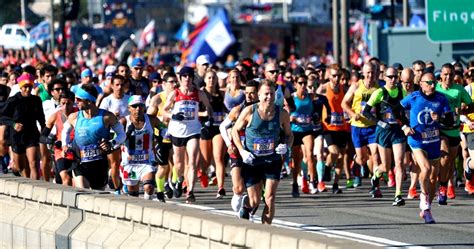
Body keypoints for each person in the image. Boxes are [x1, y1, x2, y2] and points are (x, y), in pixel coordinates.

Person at [231, 79, 293, 224]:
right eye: (266, 94)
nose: (269, 97)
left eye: (271, 94)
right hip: (252, 161)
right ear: (259, 95)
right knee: (254, 201)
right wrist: (242, 151)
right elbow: (235, 130)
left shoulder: (282, 114)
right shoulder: (249, 111)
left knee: (270, 197)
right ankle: (246, 207)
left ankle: (266, 231)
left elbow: (290, 135)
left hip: (272, 160)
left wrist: (286, 146)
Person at [399, 71, 453, 223]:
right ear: (421, 84)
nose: (432, 85)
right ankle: (424, 202)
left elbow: (449, 120)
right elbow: (396, 110)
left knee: (433, 177)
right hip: (417, 140)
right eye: (429, 83)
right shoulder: (414, 97)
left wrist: (440, 117)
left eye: (434, 82)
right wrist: (404, 126)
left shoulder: (441, 98)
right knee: (426, 169)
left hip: (434, 141)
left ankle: (426, 207)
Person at [161, 66, 213, 203]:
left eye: (189, 76)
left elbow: (208, 107)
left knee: (192, 162)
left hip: (193, 130)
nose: (187, 79)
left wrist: (208, 118)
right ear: (180, 78)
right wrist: (173, 115)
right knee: (178, 164)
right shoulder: (175, 93)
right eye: (184, 76)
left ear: (192, 78)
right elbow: (164, 111)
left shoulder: (199, 93)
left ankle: (190, 191)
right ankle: (179, 180)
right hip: (177, 131)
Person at [61, 84, 126, 190]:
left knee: (98, 195)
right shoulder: (74, 117)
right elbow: (65, 131)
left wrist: (111, 143)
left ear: (89, 101)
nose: (76, 101)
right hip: (80, 162)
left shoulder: (107, 117)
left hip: (99, 164)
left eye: (79, 99)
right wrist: (65, 144)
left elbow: (122, 135)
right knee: (83, 191)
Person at [362, 67, 408, 206]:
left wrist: (406, 124)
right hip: (384, 131)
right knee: (386, 167)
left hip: (398, 130)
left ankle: (398, 195)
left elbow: (406, 111)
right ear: (385, 78)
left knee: (399, 163)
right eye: (390, 77)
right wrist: (379, 122)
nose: (393, 79)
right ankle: (376, 175)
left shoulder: (402, 92)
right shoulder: (379, 92)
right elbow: (366, 112)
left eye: (395, 77)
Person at [342, 62, 381, 197]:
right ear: (363, 73)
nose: (371, 75)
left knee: (375, 155)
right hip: (358, 127)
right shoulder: (356, 86)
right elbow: (344, 103)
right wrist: (353, 115)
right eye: (368, 72)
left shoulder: (379, 87)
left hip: (372, 126)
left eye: (373, 72)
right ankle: (356, 159)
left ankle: (375, 186)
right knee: (362, 158)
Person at [220, 80, 259, 213]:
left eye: (252, 93)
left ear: (258, 93)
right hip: (237, 151)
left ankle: (248, 207)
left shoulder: (263, 111)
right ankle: (239, 207)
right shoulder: (238, 110)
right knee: (238, 188)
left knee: (255, 189)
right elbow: (222, 127)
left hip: (255, 153)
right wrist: (228, 144)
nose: (249, 96)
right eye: (247, 93)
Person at [436, 63, 471, 204]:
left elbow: (471, 105)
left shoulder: (459, 90)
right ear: (441, 76)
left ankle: (443, 184)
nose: (448, 77)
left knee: (449, 162)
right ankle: (441, 188)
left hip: (454, 130)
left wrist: (462, 111)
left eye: (450, 74)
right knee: (443, 156)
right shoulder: (436, 89)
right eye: (445, 74)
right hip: (440, 130)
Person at [0, 73, 45, 179]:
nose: (28, 89)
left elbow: (41, 117)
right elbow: (2, 117)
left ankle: (36, 188)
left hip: (32, 134)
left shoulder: (36, 100)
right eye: (25, 87)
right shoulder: (13, 101)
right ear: (20, 87)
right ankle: (15, 168)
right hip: (17, 136)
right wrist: (13, 124)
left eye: (30, 87)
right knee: (20, 166)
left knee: (34, 163)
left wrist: (44, 129)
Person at [121, 95, 162, 200]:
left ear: (144, 107)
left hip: (146, 161)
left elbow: (163, 127)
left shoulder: (151, 120)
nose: (138, 108)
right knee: (133, 195)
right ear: (129, 108)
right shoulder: (123, 122)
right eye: (134, 106)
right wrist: (125, 135)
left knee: (149, 187)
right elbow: (115, 140)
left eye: (140, 105)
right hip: (130, 163)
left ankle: (148, 206)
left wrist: (163, 134)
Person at [320, 64, 350, 194]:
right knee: (334, 151)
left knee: (340, 156)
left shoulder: (345, 89)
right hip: (328, 127)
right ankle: (327, 168)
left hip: (342, 127)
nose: (336, 78)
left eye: (338, 76)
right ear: (328, 75)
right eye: (333, 76)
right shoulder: (323, 88)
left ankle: (336, 184)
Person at [147, 72, 177, 201]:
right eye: (171, 82)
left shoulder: (180, 97)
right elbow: (148, 118)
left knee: (178, 161)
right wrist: (162, 119)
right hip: (161, 136)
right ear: (164, 84)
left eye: (176, 82)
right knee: (164, 166)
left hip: (176, 133)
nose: (174, 85)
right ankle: (160, 190)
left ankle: (172, 183)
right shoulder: (157, 99)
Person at [199, 69, 227, 198]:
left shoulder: (221, 94)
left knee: (218, 158)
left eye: (214, 78)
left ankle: (220, 187)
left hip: (218, 127)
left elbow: (226, 108)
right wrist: (203, 114)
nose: (211, 80)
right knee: (205, 160)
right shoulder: (200, 93)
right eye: (209, 78)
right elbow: (194, 112)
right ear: (205, 80)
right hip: (205, 128)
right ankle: (202, 172)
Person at [41, 90, 77, 186]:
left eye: (68, 104)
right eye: (63, 103)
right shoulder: (55, 116)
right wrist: (49, 140)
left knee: (76, 181)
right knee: (66, 178)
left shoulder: (80, 114)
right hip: (61, 151)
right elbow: (43, 135)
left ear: (73, 103)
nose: (65, 107)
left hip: (77, 150)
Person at [289, 75, 317, 196]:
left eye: (305, 83)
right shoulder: (291, 97)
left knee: (310, 154)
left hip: (307, 129)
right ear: (295, 84)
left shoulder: (310, 97)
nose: (303, 85)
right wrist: (291, 118)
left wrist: (316, 117)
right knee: (296, 160)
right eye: (300, 83)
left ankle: (312, 181)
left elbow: (315, 110)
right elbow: (286, 113)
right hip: (295, 130)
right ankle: (295, 183)